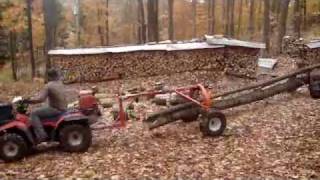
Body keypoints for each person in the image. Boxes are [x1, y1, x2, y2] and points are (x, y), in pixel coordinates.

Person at [27, 69, 67, 143]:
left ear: (49, 76)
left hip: (55, 109)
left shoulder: (48, 85)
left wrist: (28, 101)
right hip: (64, 108)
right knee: (43, 107)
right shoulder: (61, 83)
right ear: (57, 75)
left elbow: (41, 99)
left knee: (33, 113)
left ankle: (41, 135)